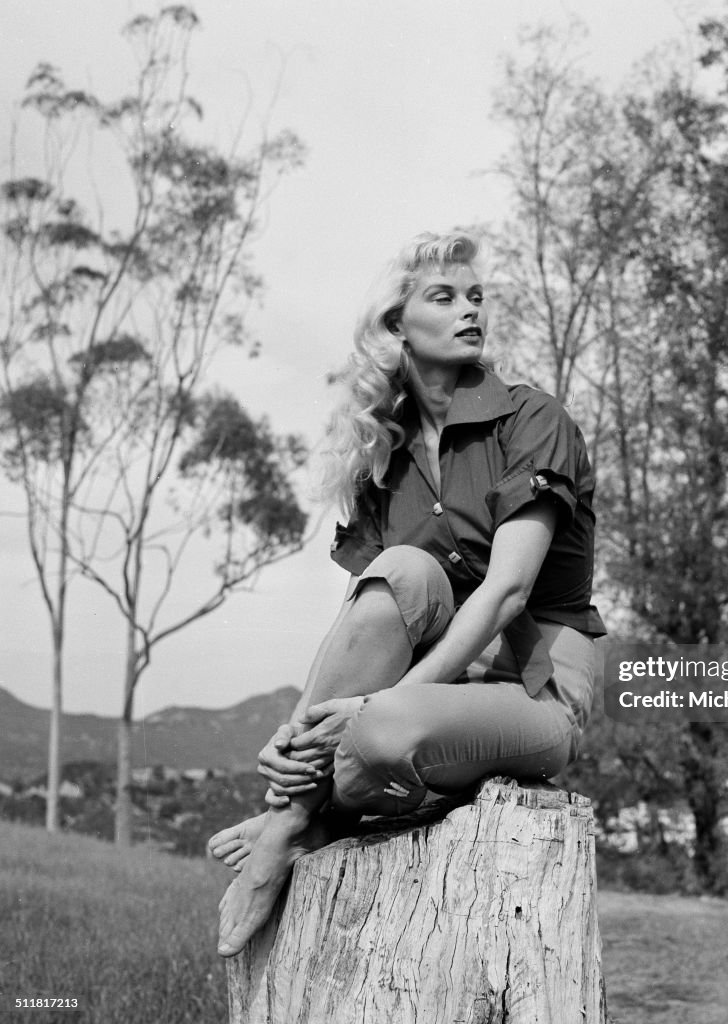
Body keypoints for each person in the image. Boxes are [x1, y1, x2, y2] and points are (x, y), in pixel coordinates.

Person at [210, 231, 605, 958]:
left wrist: (372, 707)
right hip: (435, 679)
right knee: (401, 570)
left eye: (475, 297)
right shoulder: (383, 458)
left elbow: (509, 591)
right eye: (444, 297)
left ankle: (302, 825)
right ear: (397, 324)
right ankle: (295, 814)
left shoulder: (532, 419)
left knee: (385, 728)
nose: (470, 310)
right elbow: (364, 612)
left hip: (538, 685)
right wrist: (294, 736)